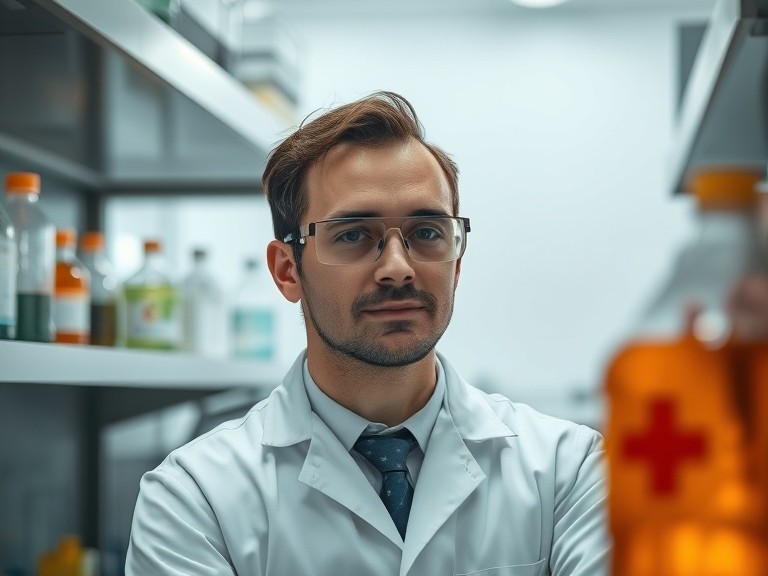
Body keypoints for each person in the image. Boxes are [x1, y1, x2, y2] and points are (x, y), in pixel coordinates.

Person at [126, 91, 610, 575]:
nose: (398, 269)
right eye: (354, 235)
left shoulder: (569, 470)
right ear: (287, 271)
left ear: (457, 263)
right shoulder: (194, 498)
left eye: (426, 232)